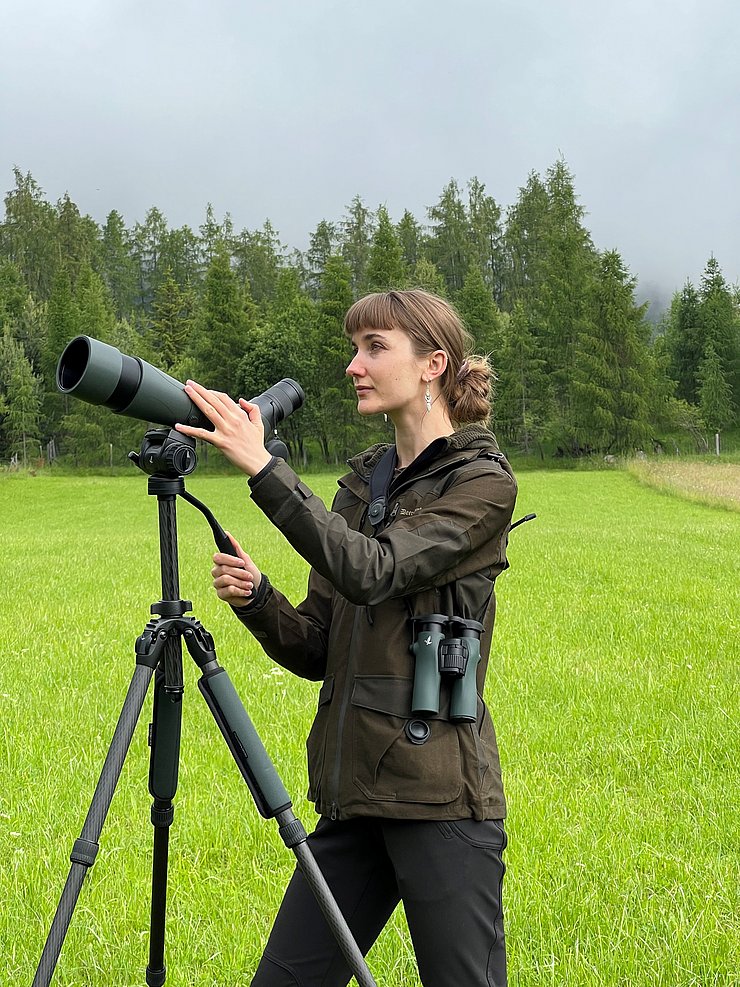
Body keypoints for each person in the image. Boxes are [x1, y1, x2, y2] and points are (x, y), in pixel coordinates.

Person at [175, 288, 518, 987]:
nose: (354, 365)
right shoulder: (363, 485)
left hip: (439, 800)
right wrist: (260, 598)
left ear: (433, 363)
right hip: (354, 798)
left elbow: (376, 569)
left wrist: (265, 468)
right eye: (353, 348)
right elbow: (316, 644)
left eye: (374, 347)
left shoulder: (481, 484)